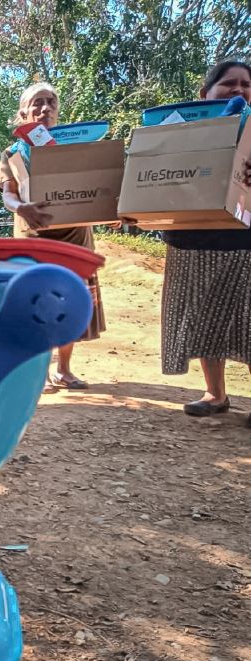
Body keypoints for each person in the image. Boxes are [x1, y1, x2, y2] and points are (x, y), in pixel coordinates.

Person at [157, 61, 251, 427]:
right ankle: (216, 394)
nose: (239, 91)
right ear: (206, 94)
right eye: (229, 84)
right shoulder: (180, 129)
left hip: (244, 239)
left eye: (246, 84)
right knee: (203, 317)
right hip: (190, 238)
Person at [0, 82, 106, 392]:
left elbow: (97, 186)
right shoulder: (13, 153)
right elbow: (8, 195)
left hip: (76, 234)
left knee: (72, 299)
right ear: (24, 112)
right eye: (38, 103)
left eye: (51, 103)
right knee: (39, 302)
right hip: (34, 236)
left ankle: (64, 369)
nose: (45, 108)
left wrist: (110, 211)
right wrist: (22, 208)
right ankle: (40, 372)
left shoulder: (75, 146)